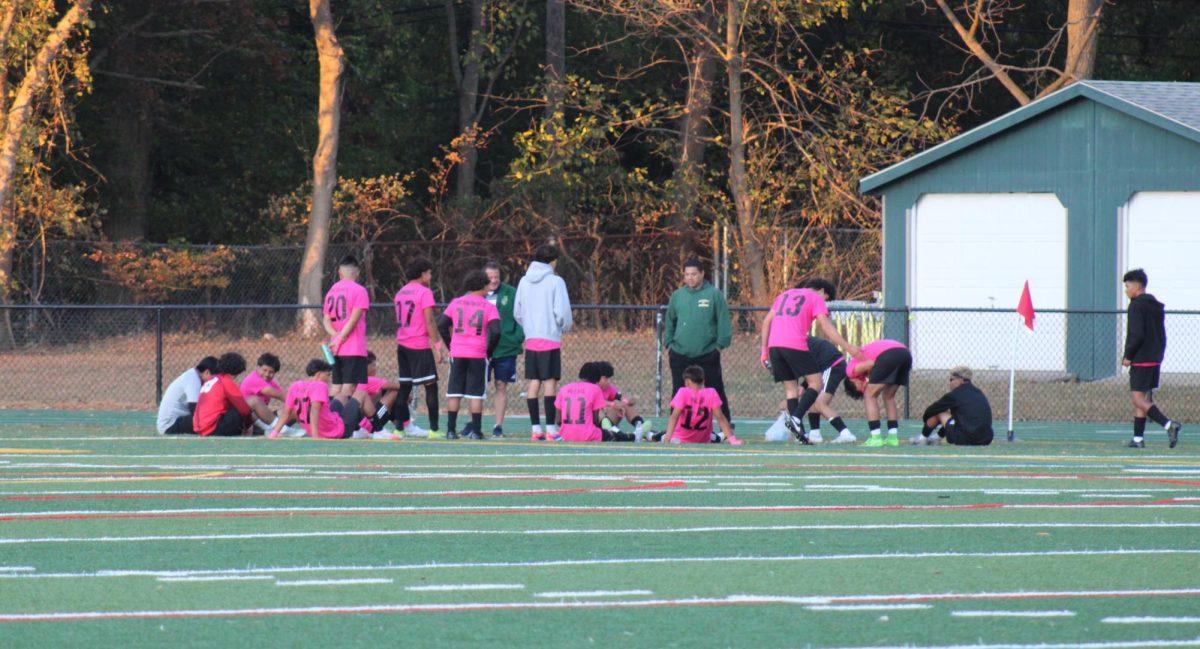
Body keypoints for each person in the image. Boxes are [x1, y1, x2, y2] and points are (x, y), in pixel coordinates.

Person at [760, 277, 860, 444]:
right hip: (794, 343)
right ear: (822, 291)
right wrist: (848, 347)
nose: (825, 302)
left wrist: (764, 352)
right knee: (816, 383)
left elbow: (766, 322)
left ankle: (800, 435)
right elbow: (826, 326)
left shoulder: (785, 294)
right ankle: (796, 419)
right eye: (826, 299)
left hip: (774, 345)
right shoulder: (815, 298)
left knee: (791, 390)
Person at [513, 243, 573, 441]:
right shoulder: (556, 282)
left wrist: (529, 327)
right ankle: (551, 429)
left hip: (531, 338)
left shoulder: (523, 281)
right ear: (553, 261)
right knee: (550, 383)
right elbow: (562, 312)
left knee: (534, 382)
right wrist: (562, 326)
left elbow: (518, 312)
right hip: (549, 337)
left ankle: (535, 429)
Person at [664, 259, 733, 425]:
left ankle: (726, 427)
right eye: (687, 274)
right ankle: (677, 428)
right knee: (678, 391)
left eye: (694, 274)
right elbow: (670, 320)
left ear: (702, 274)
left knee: (715, 390)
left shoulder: (714, 295)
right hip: (680, 353)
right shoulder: (677, 296)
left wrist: (719, 346)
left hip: (707, 353)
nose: (690, 278)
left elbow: (723, 321)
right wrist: (669, 343)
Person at [437, 270, 501, 440]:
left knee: (454, 392)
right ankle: (476, 431)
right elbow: (496, 332)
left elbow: (442, 325)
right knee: (475, 393)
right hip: (477, 353)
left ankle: (451, 430)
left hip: (458, 352)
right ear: (481, 286)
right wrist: (489, 352)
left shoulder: (456, 302)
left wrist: (451, 344)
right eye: (487, 285)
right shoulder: (489, 306)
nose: (489, 288)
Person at [1122, 268, 1182, 449]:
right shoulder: (1154, 305)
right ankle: (1138, 439)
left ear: (1137, 286)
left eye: (1127, 286)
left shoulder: (1136, 305)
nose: (1126, 290)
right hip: (1154, 357)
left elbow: (1136, 334)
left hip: (1141, 358)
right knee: (1143, 397)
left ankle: (1169, 425)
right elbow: (1161, 334)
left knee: (1137, 399)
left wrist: (1128, 355)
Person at [394, 257, 445, 438]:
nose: (430, 276)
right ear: (422, 273)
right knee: (430, 386)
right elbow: (429, 321)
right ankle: (434, 429)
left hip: (403, 345)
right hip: (418, 345)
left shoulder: (400, 292)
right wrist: (438, 345)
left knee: (405, 387)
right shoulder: (424, 292)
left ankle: (398, 429)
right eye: (429, 273)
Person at [270, 358, 367, 439]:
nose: (329, 379)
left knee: (341, 396)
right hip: (334, 432)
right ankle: (377, 429)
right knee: (361, 394)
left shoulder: (294, 386)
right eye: (328, 375)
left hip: (317, 429)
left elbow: (286, 413)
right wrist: (316, 437)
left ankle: (359, 429)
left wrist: (274, 433)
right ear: (319, 375)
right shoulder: (320, 385)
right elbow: (314, 411)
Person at [842, 338, 913, 447]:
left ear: (852, 381)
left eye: (860, 386)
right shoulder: (861, 365)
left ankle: (876, 437)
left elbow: (870, 364)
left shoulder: (850, 371)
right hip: (905, 353)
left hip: (889, 354)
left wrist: (868, 381)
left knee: (869, 396)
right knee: (888, 397)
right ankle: (892, 438)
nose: (863, 386)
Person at [484, 260, 524, 439]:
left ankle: (498, 426)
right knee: (477, 387)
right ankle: (472, 424)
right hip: (480, 349)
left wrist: (516, 337)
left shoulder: (511, 293)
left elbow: (522, 316)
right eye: (490, 277)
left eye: (496, 277)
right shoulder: (476, 293)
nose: (493, 280)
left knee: (501, 385)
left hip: (505, 348)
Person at [323, 255, 370, 403]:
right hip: (353, 347)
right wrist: (342, 336)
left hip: (335, 348)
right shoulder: (360, 290)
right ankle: (339, 422)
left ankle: (328, 417)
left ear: (340, 273)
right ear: (357, 272)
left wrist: (335, 336)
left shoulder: (331, 291)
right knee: (348, 388)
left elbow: (326, 319)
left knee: (336, 386)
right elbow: (354, 319)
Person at [912, 366, 994, 446]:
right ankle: (936, 438)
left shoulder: (954, 395)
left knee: (940, 412)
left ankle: (922, 439)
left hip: (965, 438)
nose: (950, 383)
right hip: (986, 438)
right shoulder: (979, 392)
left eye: (951, 379)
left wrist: (927, 420)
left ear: (960, 380)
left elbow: (932, 409)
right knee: (956, 417)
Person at [554, 362, 635, 442]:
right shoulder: (595, 389)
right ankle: (630, 437)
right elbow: (595, 421)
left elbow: (558, 420)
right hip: (587, 435)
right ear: (597, 378)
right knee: (611, 434)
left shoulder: (564, 389)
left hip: (565, 436)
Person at [660, 365, 739, 445]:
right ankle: (725, 434)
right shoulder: (712, 393)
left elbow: (674, 417)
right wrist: (733, 440)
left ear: (687, 382)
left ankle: (650, 435)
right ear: (703, 381)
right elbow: (720, 417)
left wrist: (667, 439)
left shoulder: (683, 392)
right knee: (713, 437)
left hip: (681, 439)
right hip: (703, 439)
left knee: (662, 436)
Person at [802, 336, 857, 444]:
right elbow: (812, 369)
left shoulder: (798, 344)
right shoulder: (801, 342)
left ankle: (845, 433)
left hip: (832, 366)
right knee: (812, 399)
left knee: (820, 404)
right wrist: (803, 386)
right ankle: (815, 434)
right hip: (828, 367)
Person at [193, 352, 253, 437]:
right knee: (246, 405)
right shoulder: (226, 381)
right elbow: (245, 410)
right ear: (238, 370)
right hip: (213, 428)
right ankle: (273, 425)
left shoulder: (213, 379)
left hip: (200, 428)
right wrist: (248, 426)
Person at [156, 356, 218, 435]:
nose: (214, 382)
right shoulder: (193, 380)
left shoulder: (192, 375)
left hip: (171, 422)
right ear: (207, 372)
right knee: (210, 422)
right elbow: (194, 409)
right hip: (169, 425)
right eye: (213, 378)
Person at [356, 351, 402, 439]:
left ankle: (400, 425)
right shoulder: (368, 380)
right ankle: (403, 426)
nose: (375, 368)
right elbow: (397, 387)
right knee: (394, 392)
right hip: (368, 425)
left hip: (360, 423)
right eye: (373, 365)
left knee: (385, 392)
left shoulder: (356, 379)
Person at [594, 361, 646, 438]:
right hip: (594, 425)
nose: (609, 381)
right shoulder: (591, 387)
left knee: (624, 405)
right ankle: (615, 433)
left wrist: (628, 401)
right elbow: (596, 403)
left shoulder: (609, 388)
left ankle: (640, 428)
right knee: (601, 409)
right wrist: (612, 404)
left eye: (610, 378)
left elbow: (621, 397)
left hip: (607, 423)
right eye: (606, 378)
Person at [240, 352, 284, 435]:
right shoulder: (253, 379)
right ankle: (273, 430)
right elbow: (280, 395)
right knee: (254, 404)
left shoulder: (269, 381)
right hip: (250, 422)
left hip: (264, 418)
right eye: (264, 370)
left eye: (271, 372)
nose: (267, 374)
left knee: (290, 411)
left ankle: (274, 429)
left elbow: (283, 394)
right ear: (257, 367)